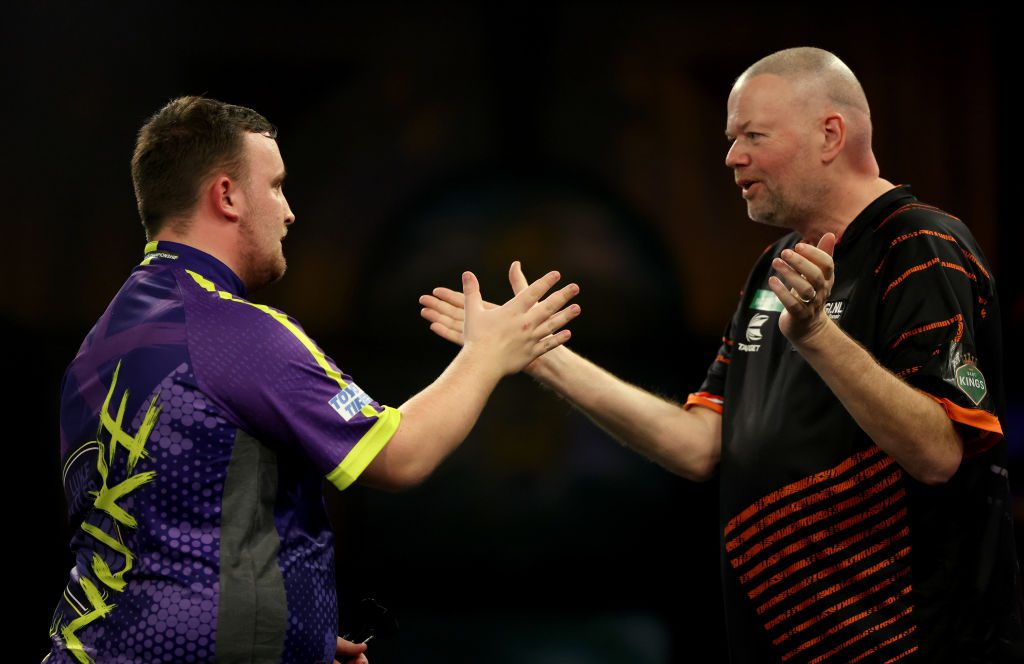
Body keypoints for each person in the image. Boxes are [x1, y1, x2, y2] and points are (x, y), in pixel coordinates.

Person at [420, 47, 1024, 662]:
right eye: (732, 137)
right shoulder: (773, 269)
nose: (732, 156)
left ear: (830, 135)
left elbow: (940, 453)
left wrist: (816, 335)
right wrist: (538, 355)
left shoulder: (922, 247)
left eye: (752, 135)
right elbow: (698, 443)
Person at [44, 96, 580, 664]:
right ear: (226, 196)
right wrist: (488, 352)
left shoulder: (98, 348)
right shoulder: (237, 332)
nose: (290, 211)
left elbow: (163, 535)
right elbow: (401, 454)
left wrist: (293, 639)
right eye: (274, 186)